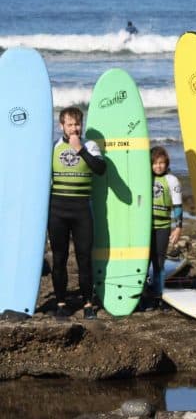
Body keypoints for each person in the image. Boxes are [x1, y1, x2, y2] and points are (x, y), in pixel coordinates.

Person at [49, 106, 107, 319]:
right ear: (61, 125)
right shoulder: (53, 146)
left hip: (82, 209)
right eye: (70, 124)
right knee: (59, 258)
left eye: (77, 124)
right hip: (57, 210)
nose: (74, 128)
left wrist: (80, 149)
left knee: (84, 258)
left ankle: (88, 304)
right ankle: (62, 303)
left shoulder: (90, 145)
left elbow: (101, 169)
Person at [145, 146, 182, 311]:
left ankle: (159, 296)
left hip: (163, 226)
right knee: (143, 261)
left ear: (166, 164)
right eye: (155, 163)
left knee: (158, 261)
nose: (158, 166)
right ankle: (143, 294)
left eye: (162, 163)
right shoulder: (145, 178)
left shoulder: (172, 180)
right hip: (144, 228)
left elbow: (178, 205)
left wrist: (178, 227)